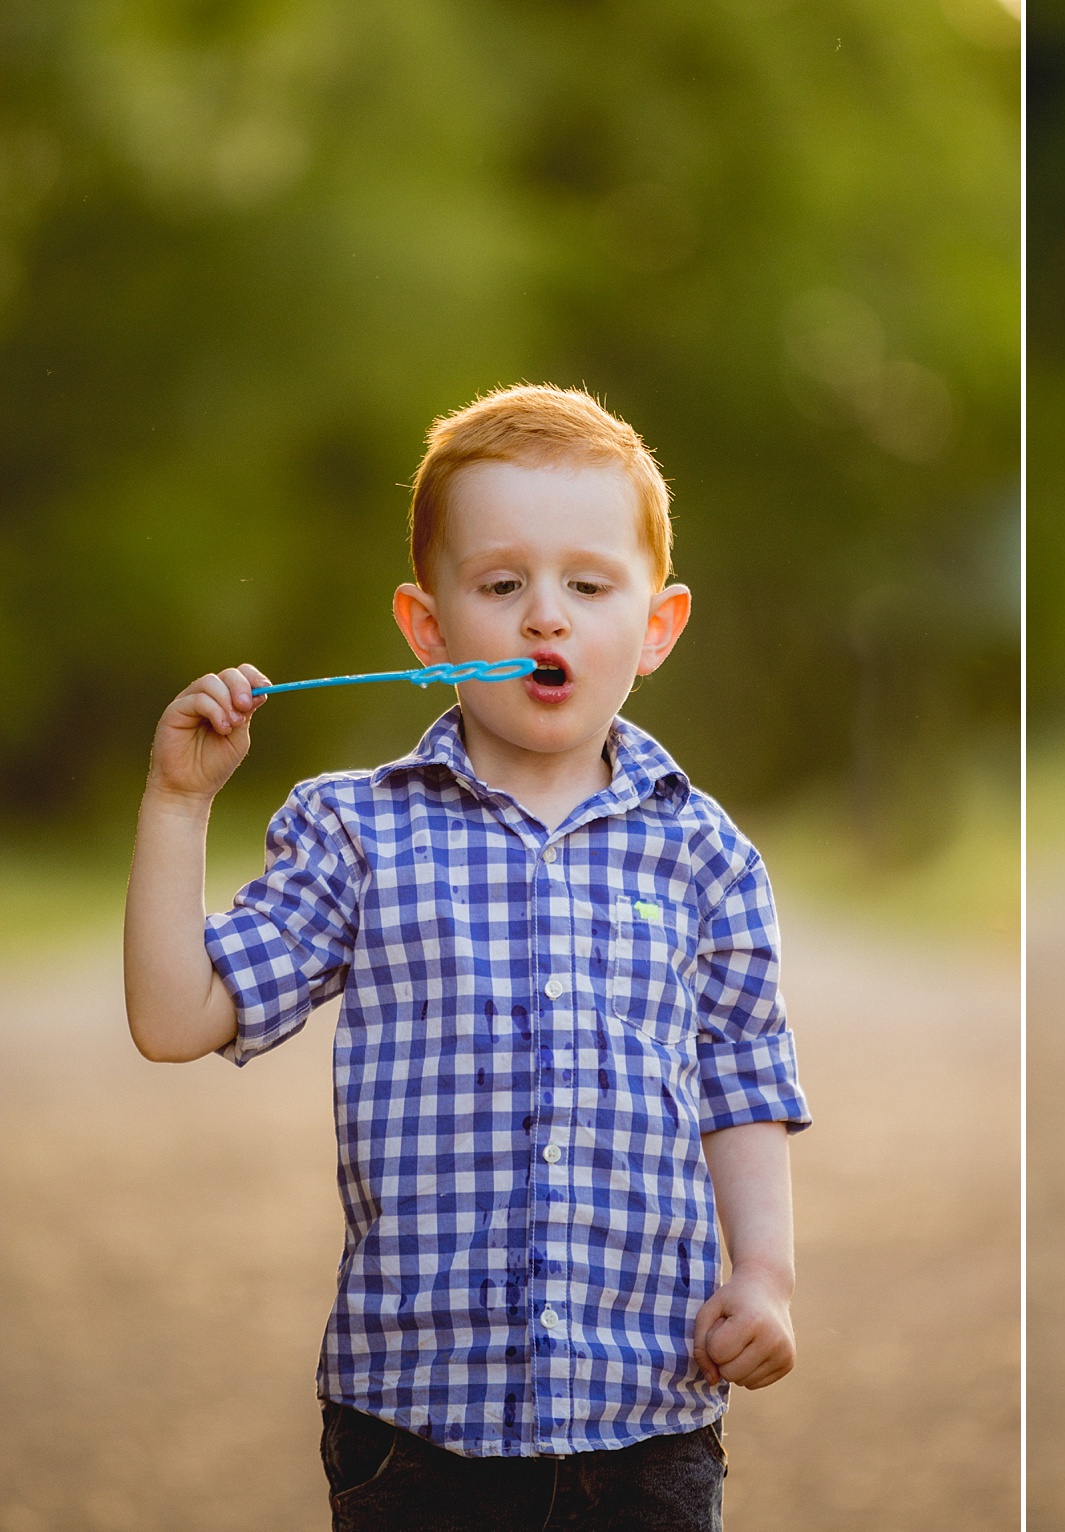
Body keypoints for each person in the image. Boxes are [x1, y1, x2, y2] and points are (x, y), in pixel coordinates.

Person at [123, 384, 807, 1531]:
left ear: (655, 625)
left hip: (645, 1415)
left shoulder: (704, 853)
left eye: (587, 586)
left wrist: (766, 1273)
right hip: (415, 1431)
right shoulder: (357, 832)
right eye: (502, 585)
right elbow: (173, 1013)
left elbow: (743, 1077)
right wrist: (178, 803)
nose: (546, 617)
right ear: (428, 626)